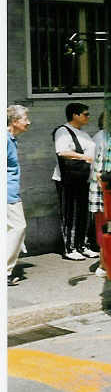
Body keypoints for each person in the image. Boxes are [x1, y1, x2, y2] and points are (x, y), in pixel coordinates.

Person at [52, 102, 96, 261]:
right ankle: (69, 248)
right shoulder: (63, 132)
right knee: (70, 213)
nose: (88, 117)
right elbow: (62, 151)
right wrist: (83, 157)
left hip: (83, 178)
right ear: (75, 115)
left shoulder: (82, 133)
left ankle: (82, 245)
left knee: (83, 213)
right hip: (68, 180)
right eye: (85, 114)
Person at [89, 110, 111, 278]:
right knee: (103, 226)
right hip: (103, 187)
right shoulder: (100, 138)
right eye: (110, 120)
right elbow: (95, 167)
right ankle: (103, 264)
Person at [7, 105, 31, 285]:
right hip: (8, 194)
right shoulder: (6, 140)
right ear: (14, 122)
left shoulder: (11, 139)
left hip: (10, 192)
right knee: (18, 227)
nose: (28, 122)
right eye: (25, 119)